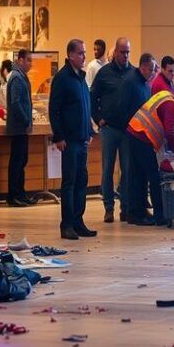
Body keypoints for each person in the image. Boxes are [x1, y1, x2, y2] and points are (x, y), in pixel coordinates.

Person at [49, 39, 96, 240]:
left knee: (81, 182)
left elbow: (84, 106)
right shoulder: (62, 78)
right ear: (70, 55)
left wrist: (89, 131)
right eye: (80, 53)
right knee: (69, 183)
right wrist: (58, 136)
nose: (84, 56)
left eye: (85, 53)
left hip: (82, 139)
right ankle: (66, 224)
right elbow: (54, 109)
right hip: (69, 141)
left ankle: (78, 221)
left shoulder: (81, 78)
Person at [126, 88, 174, 225]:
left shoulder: (165, 95)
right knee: (153, 176)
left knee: (137, 175)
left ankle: (136, 213)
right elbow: (170, 133)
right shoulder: (172, 105)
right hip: (142, 136)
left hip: (134, 130)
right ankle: (159, 215)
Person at [90, 37, 134, 223]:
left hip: (127, 130)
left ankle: (125, 207)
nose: (125, 55)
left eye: (128, 52)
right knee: (107, 169)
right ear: (115, 52)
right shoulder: (104, 73)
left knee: (127, 169)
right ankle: (108, 207)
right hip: (109, 129)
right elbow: (92, 98)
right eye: (122, 52)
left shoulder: (133, 73)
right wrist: (98, 119)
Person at [6, 49, 34, 207]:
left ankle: (20, 193)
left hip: (21, 127)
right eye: (29, 60)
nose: (31, 63)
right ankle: (14, 195)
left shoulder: (20, 76)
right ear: (21, 60)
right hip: (18, 128)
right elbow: (16, 103)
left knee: (21, 160)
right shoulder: (17, 78)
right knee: (17, 162)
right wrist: (26, 121)